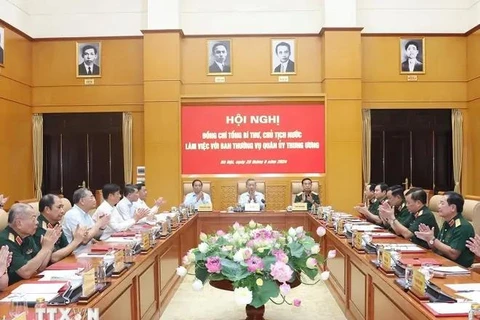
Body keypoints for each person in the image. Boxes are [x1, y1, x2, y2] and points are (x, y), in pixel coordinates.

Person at [0, 203, 61, 285]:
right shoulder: (5, 241)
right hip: (12, 288)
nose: (37, 223)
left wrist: (49, 246)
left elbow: (40, 267)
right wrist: (45, 249)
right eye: (33, 219)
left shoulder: (27, 236)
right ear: (19, 223)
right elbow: (26, 273)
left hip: (28, 283)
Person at [415, 192, 474, 268]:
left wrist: (433, 239)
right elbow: (438, 249)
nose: (438, 206)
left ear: (453, 208)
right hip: (441, 263)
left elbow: (453, 254)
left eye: (442, 204)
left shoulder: (463, 226)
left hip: (457, 268)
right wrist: (429, 239)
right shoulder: (447, 223)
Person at [34, 194, 88, 263]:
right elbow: (53, 258)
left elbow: (66, 248)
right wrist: (76, 241)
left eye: (62, 207)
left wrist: (76, 238)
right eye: (59, 207)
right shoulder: (39, 228)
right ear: (47, 209)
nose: (63, 211)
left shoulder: (55, 224)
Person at [62, 188, 110, 253]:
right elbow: (84, 240)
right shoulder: (72, 215)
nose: (94, 200)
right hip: (75, 255)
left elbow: (95, 236)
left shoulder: (86, 214)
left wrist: (102, 227)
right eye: (91, 197)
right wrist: (98, 223)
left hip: (88, 251)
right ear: (82, 201)